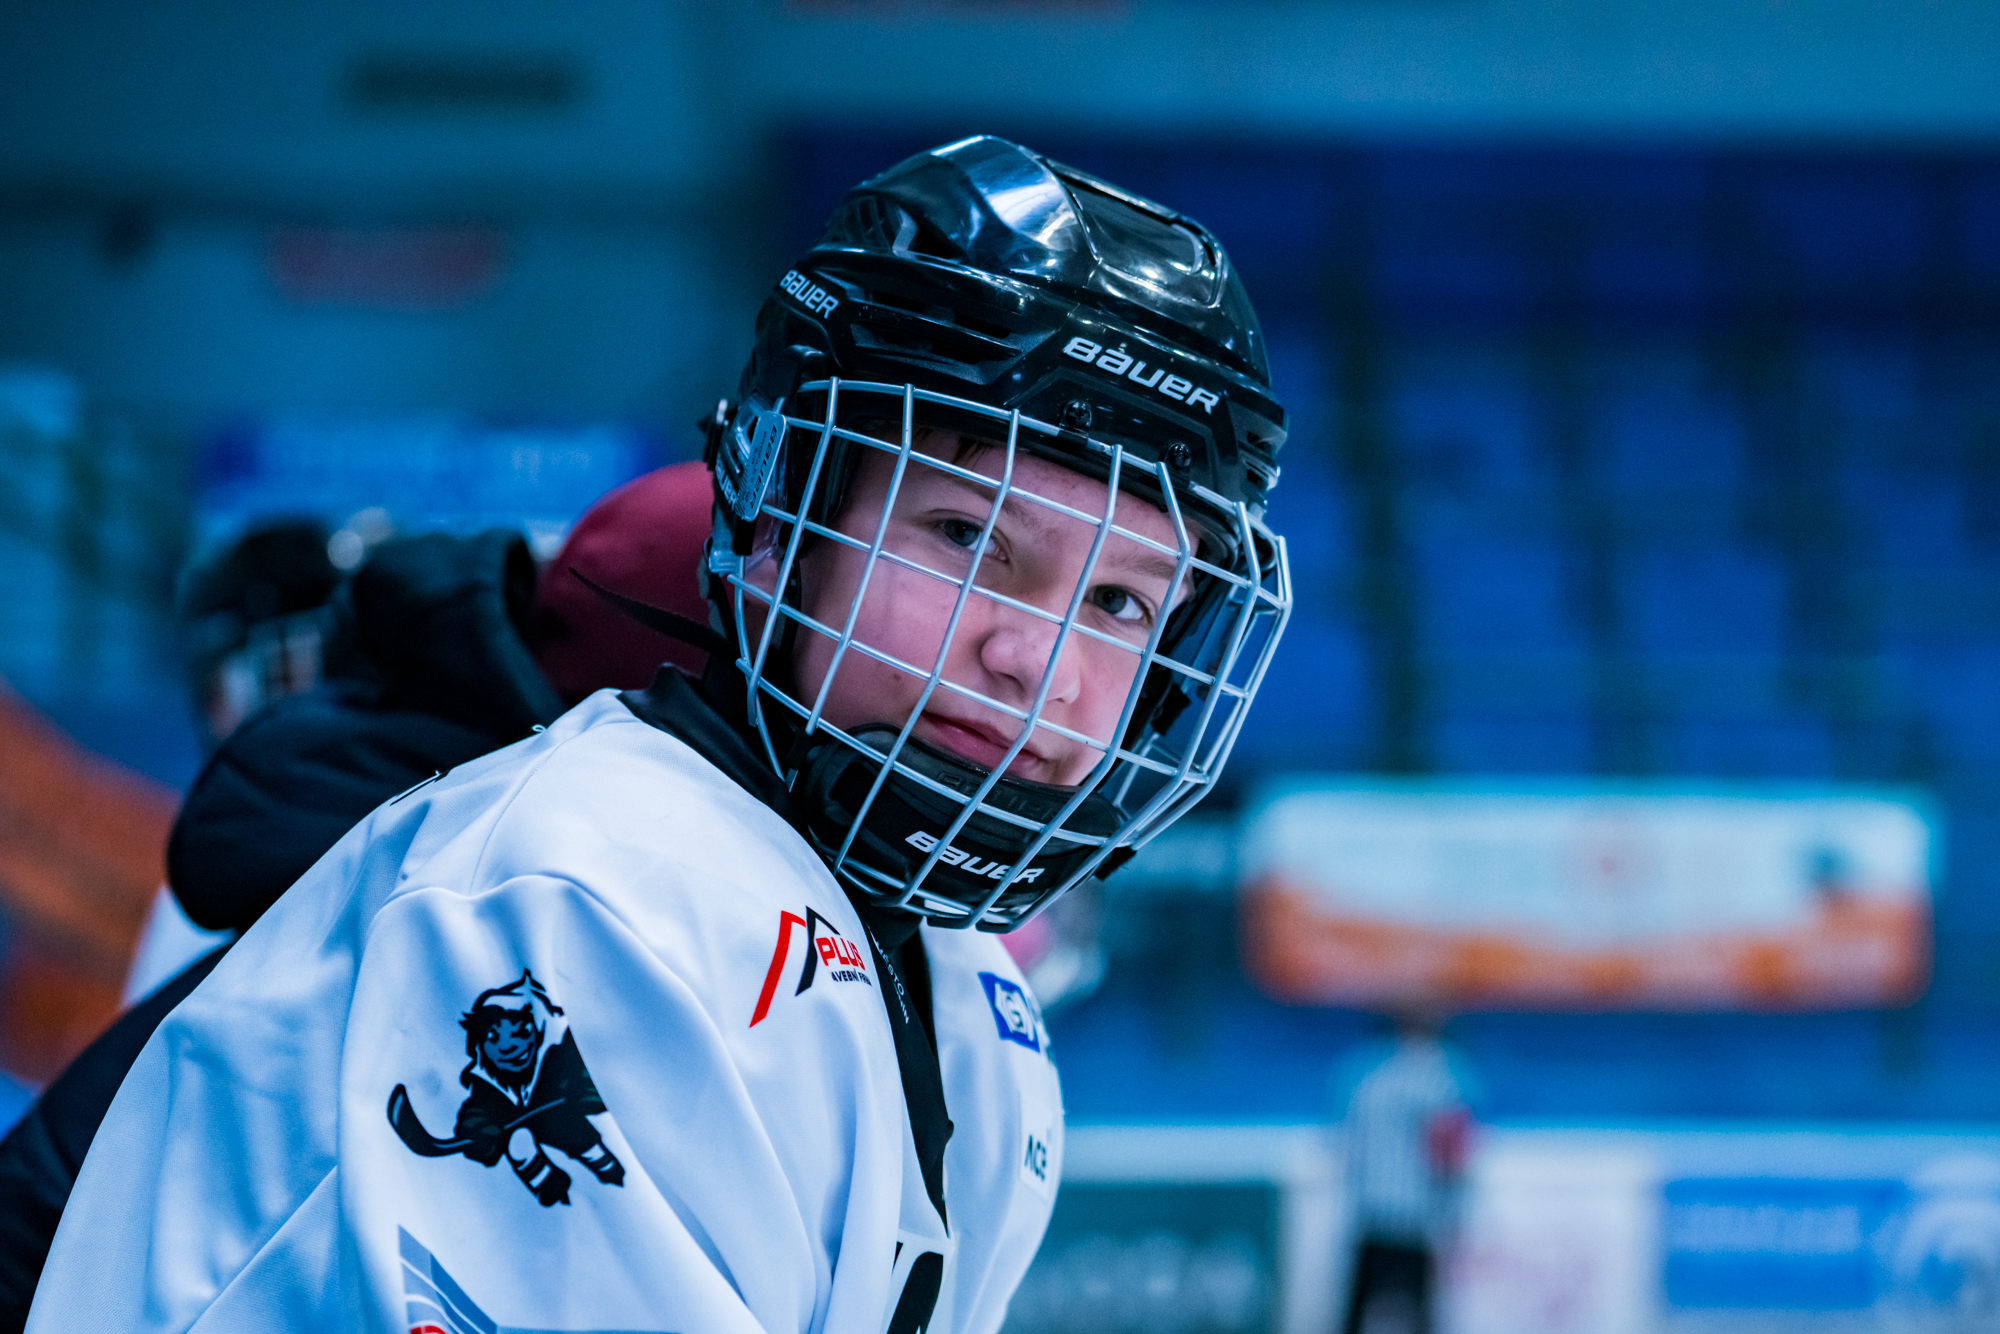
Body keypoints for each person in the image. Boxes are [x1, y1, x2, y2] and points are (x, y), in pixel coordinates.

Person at [27, 135, 1292, 1334]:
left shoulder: (971, 1002)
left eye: (1121, 600)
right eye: (967, 537)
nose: (1037, 658)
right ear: (779, 525)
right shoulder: (599, 878)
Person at [0, 462, 714, 1332]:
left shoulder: (466, 834)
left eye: (312, 662)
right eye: (274, 670)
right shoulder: (393, 874)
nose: (287, 699)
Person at [1334, 1012, 1476, 1334]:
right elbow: (1449, 1149)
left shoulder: (1366, 1075)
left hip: (1370, 1214)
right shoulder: (1440, 1075)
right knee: (1420, 1315)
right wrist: (1454, 1209)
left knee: (1356, 1315)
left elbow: (1347, 1145)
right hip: (1415, 1216)